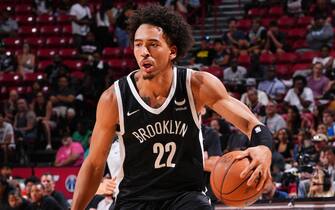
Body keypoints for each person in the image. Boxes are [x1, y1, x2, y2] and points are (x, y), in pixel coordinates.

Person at [72, 5, 273, 210]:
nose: (144, 52)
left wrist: (263, 147)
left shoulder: (197, 85)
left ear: (172, 51)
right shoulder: (114, 98)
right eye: (138, 45)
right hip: (134, 199)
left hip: (185, 197)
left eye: (153, 45)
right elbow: (95, 165)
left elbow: (250, 122)